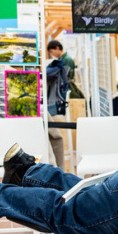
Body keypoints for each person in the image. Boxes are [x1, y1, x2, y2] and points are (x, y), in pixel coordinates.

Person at [45, 40, 75, 171]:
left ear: (57, 48)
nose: (52, 55)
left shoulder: (65, 60)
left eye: (52, 52)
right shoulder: (63, 60)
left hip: (58, 103)